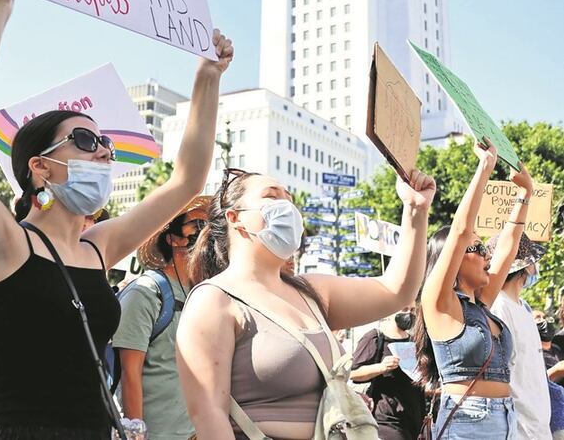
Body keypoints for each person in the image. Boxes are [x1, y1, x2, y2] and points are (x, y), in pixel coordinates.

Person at [0, 0, 233, 438]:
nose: (102, 152)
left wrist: (207, 79)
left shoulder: (97, 248)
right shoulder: (4, 243)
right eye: (84, 140)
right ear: (39, 167)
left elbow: (188, 180)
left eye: (106, 144)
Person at [177, 166, 434, 440]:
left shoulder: (312, 291)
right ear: (235, 218)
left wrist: (415, 210)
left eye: (290, 199)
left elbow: (396, 291)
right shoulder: (214, 300)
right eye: (272, 196)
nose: (288, 207)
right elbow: (208, 413)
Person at [413, 140, 528, 439]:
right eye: (476, 248)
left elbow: (507, 247)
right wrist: (485, 167)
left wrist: (525, 194)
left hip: (506, 419)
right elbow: (461, 230)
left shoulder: (481, 304)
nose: (487, 255)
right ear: (450, 259)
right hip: (467, 423)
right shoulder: (439, 303)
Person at [111, 195, 208, 440]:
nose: (205, 233)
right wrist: (135, 435)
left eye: (209, 226)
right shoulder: (144, 294)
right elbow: (130, 373)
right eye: (197, 225)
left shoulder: (203, 293)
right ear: (172, 238)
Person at [488, 232, 552, 439]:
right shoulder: (499, 307)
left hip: (538, 423)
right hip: (519, 428)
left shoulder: (523, 307)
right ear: (526, 266)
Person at [350, 307, 425, 439]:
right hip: (386, 415)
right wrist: (381, 367)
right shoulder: (375, 337)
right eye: (404, 309)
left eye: (412, 310)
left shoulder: (414, 341)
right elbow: (353, 373)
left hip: (414, 414)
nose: (409, 314)